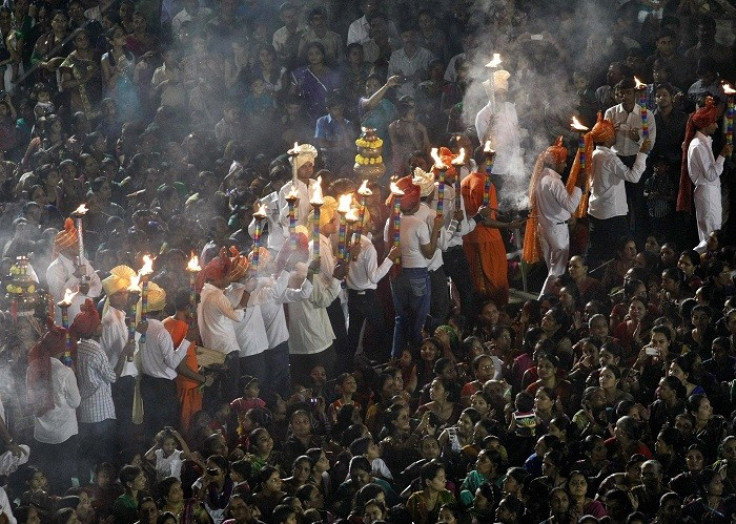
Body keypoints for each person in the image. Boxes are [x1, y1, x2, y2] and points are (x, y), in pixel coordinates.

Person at [566, 112, 651, 268]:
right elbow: (632, 176)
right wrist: (642, 154)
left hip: (596, 212)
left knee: (598, 253)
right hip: (612, 215)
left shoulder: (594, 154)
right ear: (607, 137)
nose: (615, 136)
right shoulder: (608, 158)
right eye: (613, 133)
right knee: (619, 254)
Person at [523, 137, 584, 297]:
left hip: (545, 229)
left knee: (553, 269)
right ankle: (544, 300)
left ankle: (552, 298)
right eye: (563, 161)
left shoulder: (540, 179)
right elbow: (570, 206)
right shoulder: (553, 182)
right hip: (557, 231)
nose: (565, 165)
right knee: (557, 271)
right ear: (555, 162)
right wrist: (579, 187)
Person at [26, 323, 81, 494]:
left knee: (48, 477)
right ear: (60, 348)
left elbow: (29, 399)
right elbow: (75, 402)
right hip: (64, 434)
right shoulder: (64, 372)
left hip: (42, 435)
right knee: (64, 478)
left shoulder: (32, 368)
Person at [676, 96, 733, 253]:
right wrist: (722, 155)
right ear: (705, 125)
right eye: (713, 122)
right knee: (709, 236)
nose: (716, 125)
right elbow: (711, 174)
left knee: (714, 231)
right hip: (706, 191)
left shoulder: (705, 141)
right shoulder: (698, 145)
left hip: (710, 191)